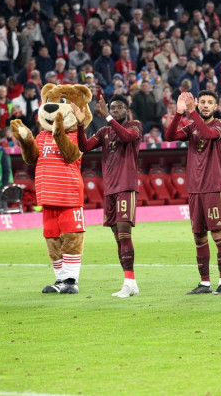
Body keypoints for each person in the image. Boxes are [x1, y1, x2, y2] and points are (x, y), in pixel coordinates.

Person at [164, 91, 221, 296]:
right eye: (202, 102)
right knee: (199, 236)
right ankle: (204, 283)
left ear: (216, 107)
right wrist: (178, 113)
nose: (205, 105)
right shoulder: (192, 125)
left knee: (217, 233)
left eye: (210, 102)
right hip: (194, 188)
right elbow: (169, 137)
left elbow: (209, 135)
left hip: (212, 187)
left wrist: (191, 111)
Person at [75, 95, 142, 297]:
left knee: (123, 233)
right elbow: (84, 147)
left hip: (126, 186)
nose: (115, 110)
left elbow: (127, 137)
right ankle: (131, 282)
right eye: (112, 108)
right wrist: (80, 125)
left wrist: (107, 117)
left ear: (127, 110)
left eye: (120, 107)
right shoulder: (104, 131)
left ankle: (128, 282)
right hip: (110, 189)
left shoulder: (135, 125)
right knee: (117, 238)